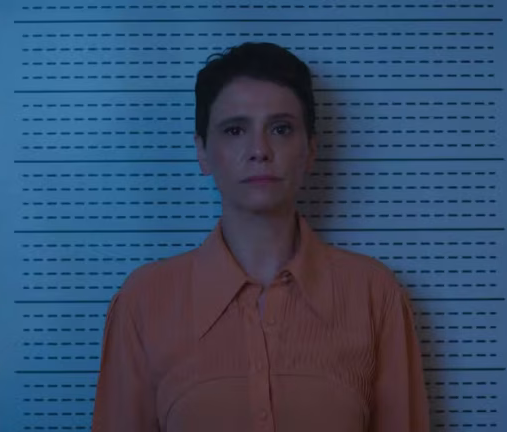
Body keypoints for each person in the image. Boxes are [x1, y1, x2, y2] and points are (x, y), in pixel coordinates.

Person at [92, 41, 430, 432]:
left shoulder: (374, 295)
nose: (259, 150)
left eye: (281, 129)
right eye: (235, 130)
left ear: (310, 150)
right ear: (202, 151)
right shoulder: (144, 302)